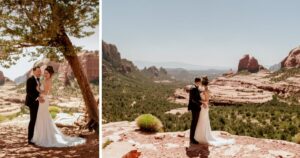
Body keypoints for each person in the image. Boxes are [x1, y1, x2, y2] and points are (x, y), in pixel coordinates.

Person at [31, 66, 86, 147]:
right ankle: (41, 136)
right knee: (41, 117)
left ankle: (45, 137)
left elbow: (45, 93)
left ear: (50, 74)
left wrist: (38, 89)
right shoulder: (45, 80)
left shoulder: (48, 81)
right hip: (42, 100)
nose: (45, 74)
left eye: (47, 73)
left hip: (43, 100)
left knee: (43, 117)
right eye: (45, 73)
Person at [194, 76, 235, 146]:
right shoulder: (202, 89)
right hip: (202, 107)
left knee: (203, 121)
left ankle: (203, 137)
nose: (200, 83)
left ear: (203, 83)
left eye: (201, 81)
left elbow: (207, 100)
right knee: (201, 121)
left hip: (204, 107)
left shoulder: (206, 90)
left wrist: (200, 101)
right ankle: (199, 136)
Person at [25, 66, 43, 145]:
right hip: (32, 102)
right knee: (33, 120)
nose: (40, 73)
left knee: (37, 120)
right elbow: (28, 91)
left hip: (38, 102)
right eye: (38, 71)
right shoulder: (30, 80)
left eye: (40, 71)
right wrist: (37, 97)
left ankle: (36, 137)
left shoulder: (39, 80)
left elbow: (38, 91)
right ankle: (30, 139)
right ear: (34, 71)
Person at [188, 77, 202, 145]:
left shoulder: (195, 88)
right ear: (197, 82)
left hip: (196, 108)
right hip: (195, 108)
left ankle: (192, 138)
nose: (200, 83)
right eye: (200, 82)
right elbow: (193, 100)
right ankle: (192, 139)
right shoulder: (193, 88)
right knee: (194, 123)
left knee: (195, 123)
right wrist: (200, 104)